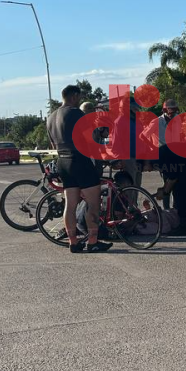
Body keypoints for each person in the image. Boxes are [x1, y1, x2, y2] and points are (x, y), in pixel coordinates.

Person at [46, 84, 111, 253]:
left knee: (71, 203)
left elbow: (53, 144)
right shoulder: (76, 113)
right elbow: (91, 139)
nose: (80, 100)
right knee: (93, 202)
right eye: (79, 97)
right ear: (74, 96)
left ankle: (73, 242)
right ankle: (92, 241)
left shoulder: (51, 117)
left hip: (63, 161)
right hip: (80, 160)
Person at [140, 98, 180, 209]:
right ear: (164, 111)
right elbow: (143, 136)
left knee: (177, 184)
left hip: (175, 155)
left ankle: (176, 210)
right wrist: (152, 147)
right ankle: (167, 209)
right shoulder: (157, 122)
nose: (173, 114)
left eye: (175, 111)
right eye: (171, 112)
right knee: (168, 182)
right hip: (162, 155)